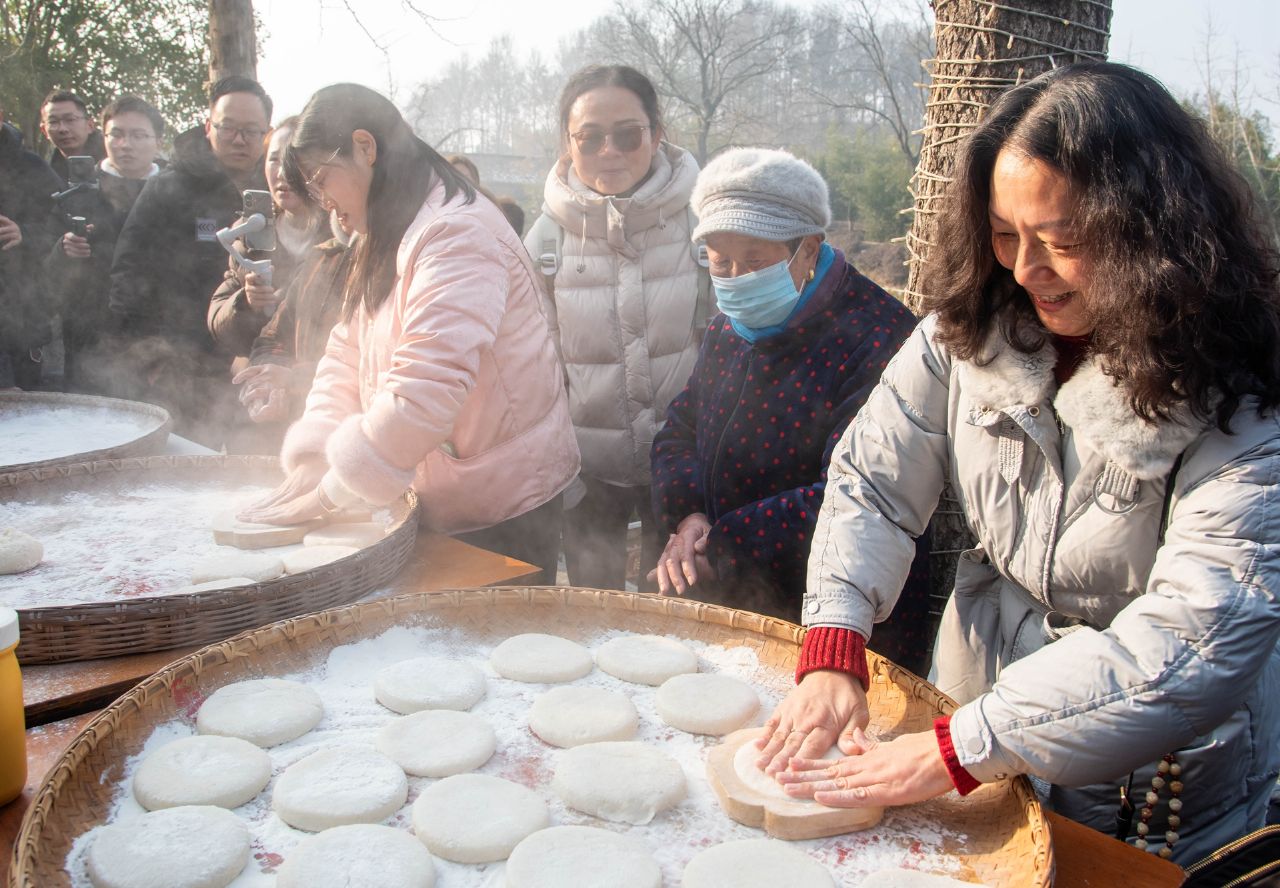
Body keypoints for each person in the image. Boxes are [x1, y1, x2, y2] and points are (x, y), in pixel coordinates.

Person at [758, 62, 1280, 864]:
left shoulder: (1244, 398)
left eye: (1063, 242)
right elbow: (873, 482)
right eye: (1005, 233)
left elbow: (1193, 641)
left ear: (1154, 235)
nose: (1027, 269)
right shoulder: (969, 333)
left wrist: (961, 746)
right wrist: (835, 642)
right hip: (977, 722)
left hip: (1152, 786)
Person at [241, 83, 579, 583]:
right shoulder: (383, 231)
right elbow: (345, 353)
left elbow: (429, 386)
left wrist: (331, 494)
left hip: (502, 508)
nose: (322, 203)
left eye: (319, 180)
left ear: (365, 147)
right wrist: (314, 456)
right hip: (436, 494)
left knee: (493, 630)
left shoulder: (456, 232)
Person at [649, 147, 933, 674]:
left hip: (841, 621)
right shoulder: (728, 328)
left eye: (756, 260)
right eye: (719, 261)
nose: (737, 278)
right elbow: (680, 429)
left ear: (809, 250)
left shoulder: (878, 338)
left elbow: (856, 494)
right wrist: (688, 515)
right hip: (734, 592)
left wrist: (721, 544)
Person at [525, 64, 709, 591]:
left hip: (685, 469)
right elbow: (535, 369)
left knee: (674, 609)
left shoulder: (701, 224)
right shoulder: (545, 241)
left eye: (628, 135)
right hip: (587, 476)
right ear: (568, 144)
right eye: (590, 137)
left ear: (657, 134)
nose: (609, 151)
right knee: (594, 612)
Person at [108, 76, 271, 447]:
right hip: (183, 362)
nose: (239, 139)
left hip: (259, 364)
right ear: (208, 126)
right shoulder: (170, 186)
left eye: (251, 131)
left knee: (252, 467)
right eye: (228, 127)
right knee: (189, 462)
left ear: (266, 133)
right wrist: (146, 356)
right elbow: (129, 271)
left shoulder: (275, 184)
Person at [44, 95, 165, 395]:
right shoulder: (75, 195)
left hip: (159, 345)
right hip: (89, 343)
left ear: (158, 141)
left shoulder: (175, 192)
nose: (126, 145)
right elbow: (44, 279)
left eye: (138, 135)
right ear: (103, 136)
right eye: (116, 134)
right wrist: (63, 251)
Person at [207, 116, 327, 361]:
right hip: (261, 371)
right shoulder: (251, 231)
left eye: (295, 160)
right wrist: (246, 303)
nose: (283, 172)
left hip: (324, 371)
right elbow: (220, 323)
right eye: (274, 159)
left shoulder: (343, 230)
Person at [232, 209, 353, 426]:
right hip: (301, 425)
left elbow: (371, 371)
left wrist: (294, 379)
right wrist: (269, 383)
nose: (329, 200)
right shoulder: (323, 257)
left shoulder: (398, 265)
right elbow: (273, 337)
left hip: (354, 429)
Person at [0, 100, 63, 389]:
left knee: (26, 405)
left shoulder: (32, 167)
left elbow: (63, 227)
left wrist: (24, 233)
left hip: (22, 318)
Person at [40, 90, 106, 185]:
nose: (62, 129)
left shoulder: (113, 161)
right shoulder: (45, 174)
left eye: (70, 120)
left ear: (90, 125)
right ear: (44, 131)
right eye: (53, 122)